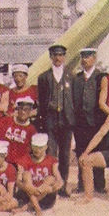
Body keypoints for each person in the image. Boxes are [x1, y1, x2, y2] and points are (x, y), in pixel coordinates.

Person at [36, 44, 75, 196]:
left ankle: (63, 185)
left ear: (64, 57)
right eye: (55, 55)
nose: (58, 58)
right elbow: (41, 100)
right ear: (50, 57)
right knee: (51, 154)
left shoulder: (71, 76)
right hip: (50, 121)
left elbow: (74, 100)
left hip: (66, 121)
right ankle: (51, 185)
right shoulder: (43, 77)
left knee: (65, 154)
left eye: (61, 55)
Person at [72, 47, 106, 193]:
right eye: (83, 57)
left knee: (96, 152)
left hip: (96, 123)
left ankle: (99, 185)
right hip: (80, 124)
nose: (85, 60)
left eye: (88, 56)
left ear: (94, 58)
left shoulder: (101, 77)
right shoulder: (76, 79)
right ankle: (82, 184)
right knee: (81, 152)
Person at [15, 133, 63, 216]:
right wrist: (28, 187)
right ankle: (37, 208)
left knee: (50, 178)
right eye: (35, 147)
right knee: (26, 174)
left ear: (46, 147)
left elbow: (60, 181)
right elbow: (18, 181)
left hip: (46, 198)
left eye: (40, 148)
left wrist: (49, 189)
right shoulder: (24, 160)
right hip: (28, 195)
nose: (37, 150)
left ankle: (27, 207)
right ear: (31, 147)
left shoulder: (52, 161)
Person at [0, 97, 37, 167]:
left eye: (26, 109)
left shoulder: (32, 130)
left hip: (19, 165)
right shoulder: (6, 121)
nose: (23, 112)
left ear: (30, 111)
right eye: (21, 109)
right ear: (17, 109)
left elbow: (30, 152)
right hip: (2, 161)